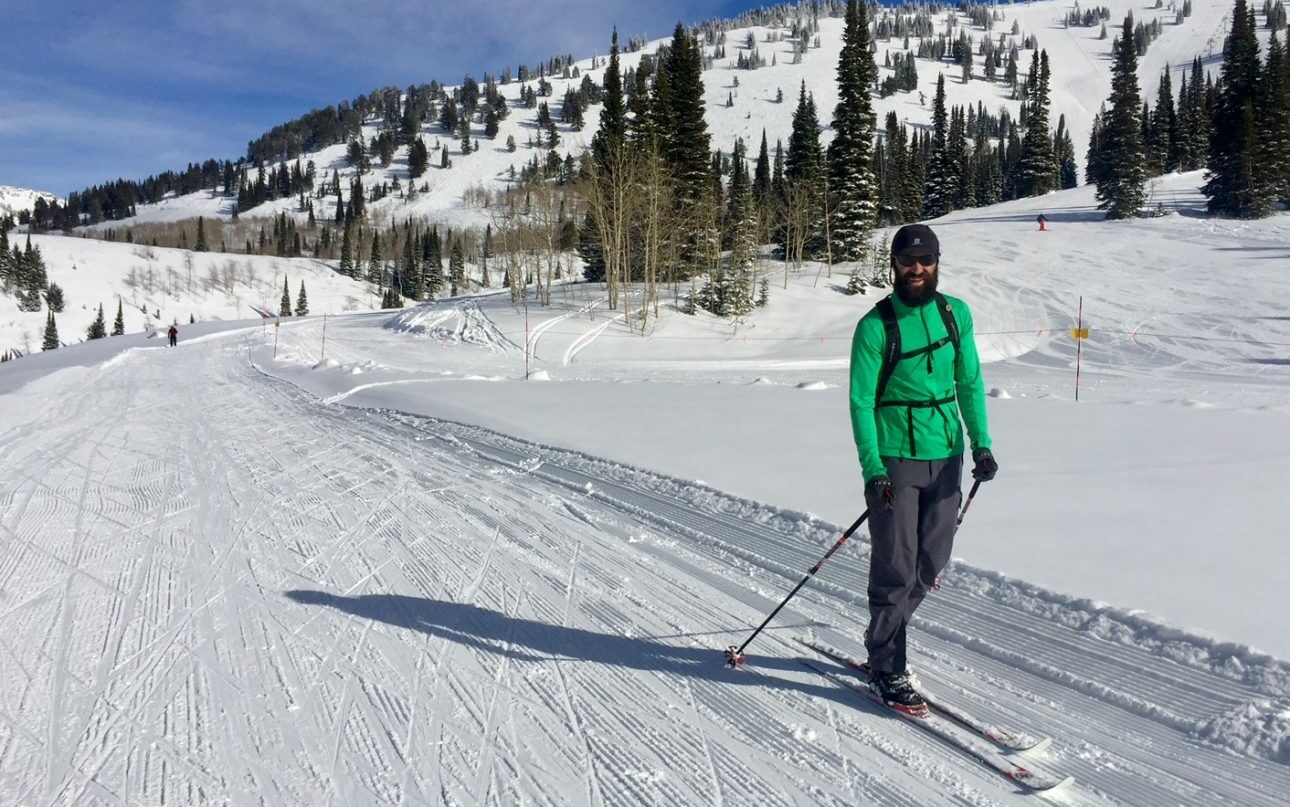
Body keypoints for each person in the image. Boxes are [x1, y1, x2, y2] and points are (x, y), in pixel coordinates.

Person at [848, 223, 997, 714]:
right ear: (893, 264)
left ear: (937, 262)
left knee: (931, 561)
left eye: (925, 260)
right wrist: (874, 470)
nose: (917, 269)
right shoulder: (875, 327)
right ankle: (887, 665)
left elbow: (970, 382)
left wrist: (982, 444)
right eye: (908, 260)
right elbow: (860, 402)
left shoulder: (956, 315)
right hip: (894, 456)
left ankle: (881, 635)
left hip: (947, 453)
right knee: (896, 562)